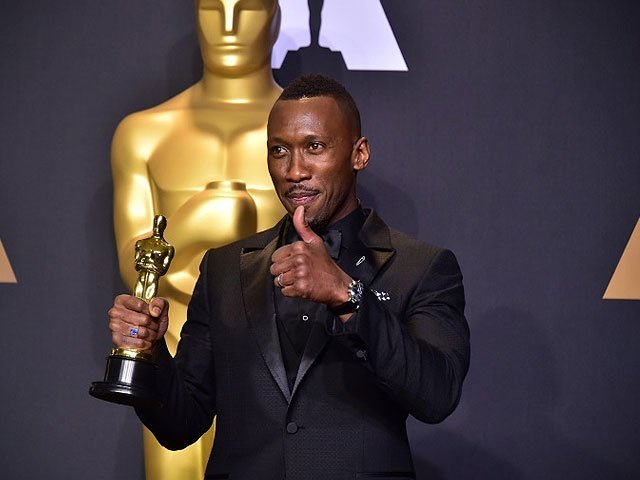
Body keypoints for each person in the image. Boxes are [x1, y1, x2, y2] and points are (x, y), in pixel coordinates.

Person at [108, 75, 470, 480]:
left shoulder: (420, 267)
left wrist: (347, 295)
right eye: (279, 151)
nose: (295, 171)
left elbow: (436, 395)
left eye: (314, 147)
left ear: (359, 153)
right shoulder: (223, 269)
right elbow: (181, 425)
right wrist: (152, 353)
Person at [110, 1, 284, 477]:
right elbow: (133, 266)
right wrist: (193, 225)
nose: (227, 25)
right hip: (174, 348)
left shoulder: (303, 137)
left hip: (276, 356)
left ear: (276, 20)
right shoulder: (144, 134)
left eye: (246, 8)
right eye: (212, 7)